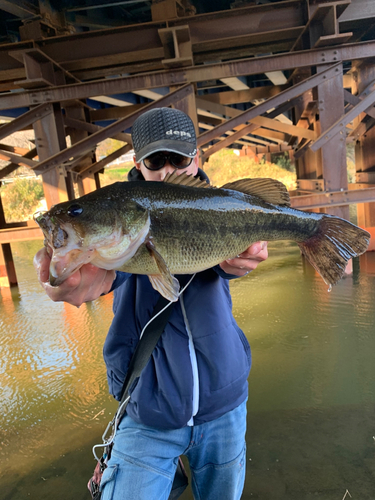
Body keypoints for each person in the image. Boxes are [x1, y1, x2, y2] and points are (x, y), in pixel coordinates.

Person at [34, 107, 268, 500]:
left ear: (196, 158)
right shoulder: (120, 223)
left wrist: (241, 260)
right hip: (149, 412)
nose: (165, 169)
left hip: (225, 406)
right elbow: (97, 280)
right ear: (138, 163)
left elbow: (227, 265)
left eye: (177, 158)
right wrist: (74, 282)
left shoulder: (224, 207)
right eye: (155, 160)